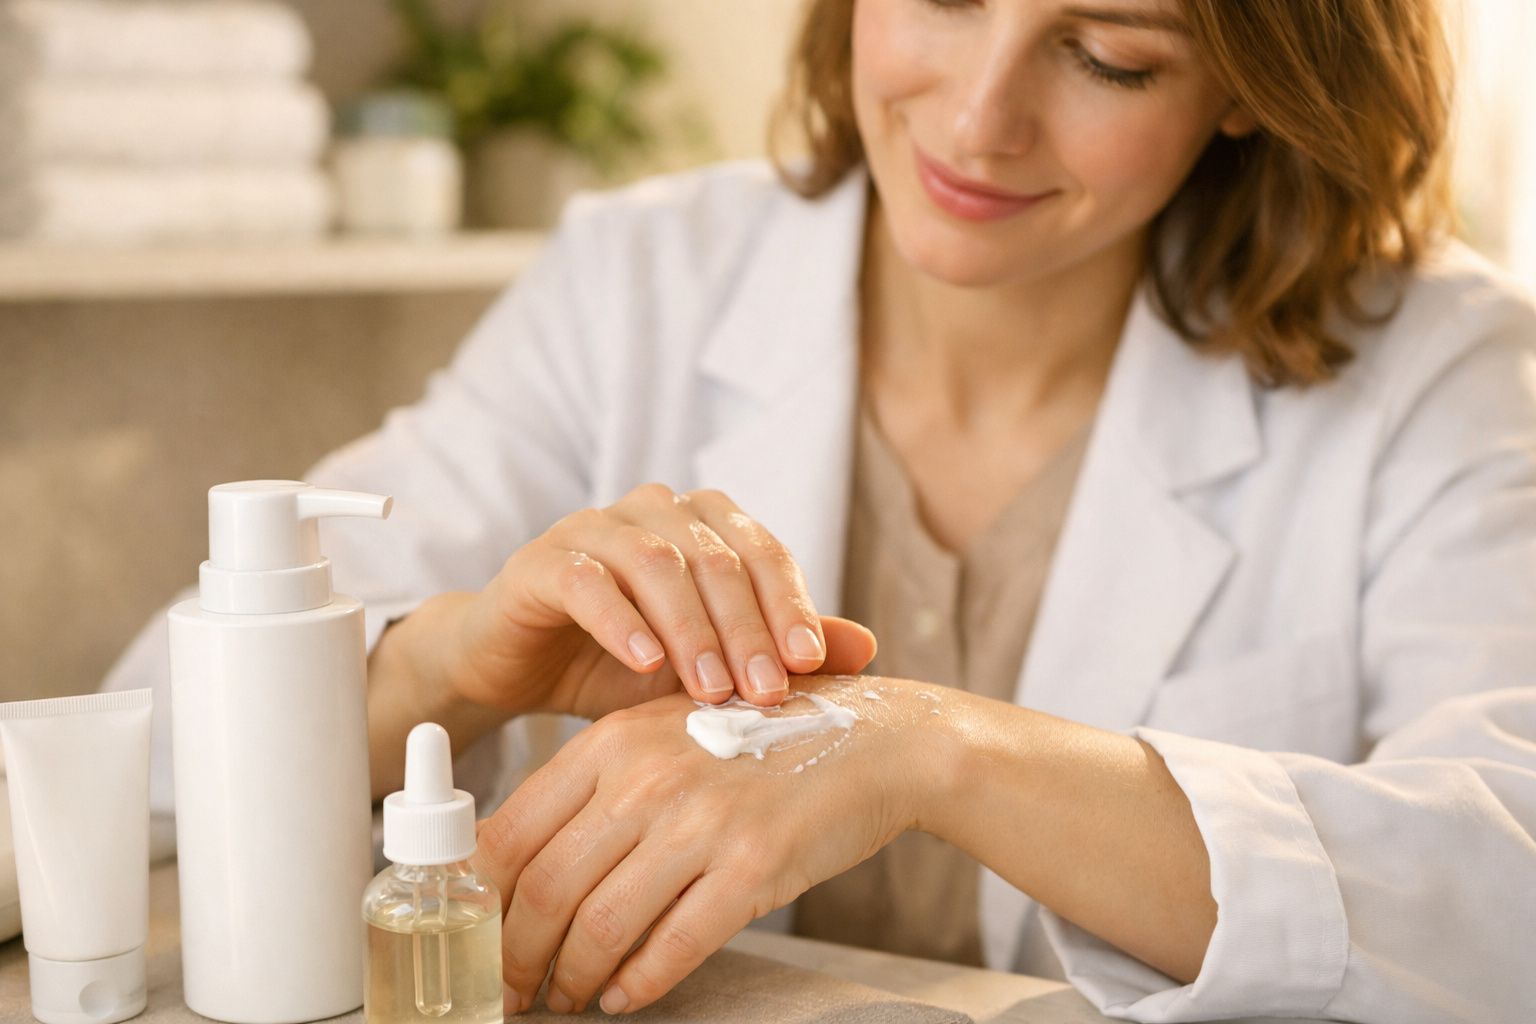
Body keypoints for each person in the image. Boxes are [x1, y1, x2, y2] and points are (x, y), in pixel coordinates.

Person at [104, 0, 1536, 1020]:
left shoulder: (1442, 370)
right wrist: (446, 660)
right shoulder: (638, 284)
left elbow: (1507, 884)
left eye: (1106, 55)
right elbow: (133, 761)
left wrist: (936, 751)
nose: (979, 119)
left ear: (1249, 74)